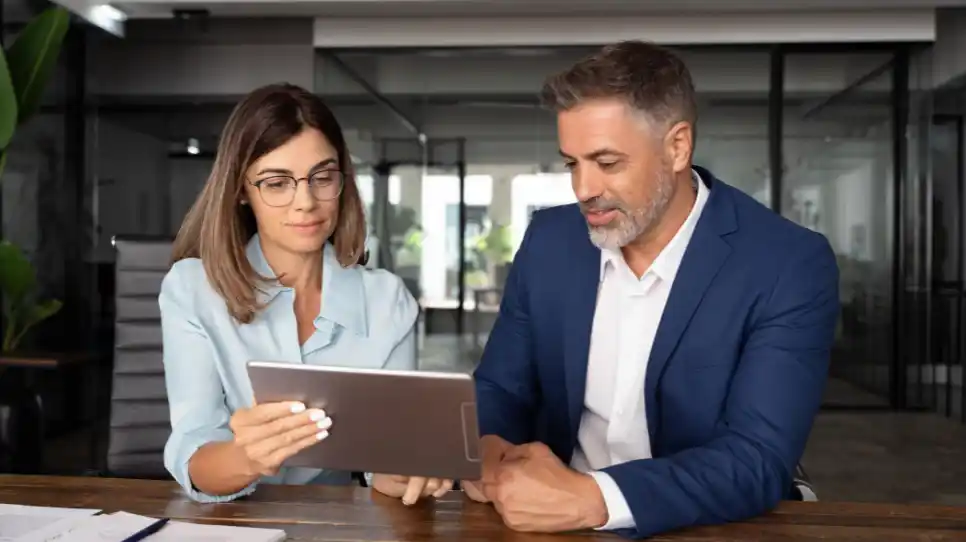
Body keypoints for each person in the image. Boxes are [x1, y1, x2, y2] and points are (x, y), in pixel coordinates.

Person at [464, 41, 839, 539]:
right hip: (545, 525)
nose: (582, 189)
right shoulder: (550, 240)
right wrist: (485, 444)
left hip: (707, 525)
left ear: (677, 146)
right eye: (572, 163)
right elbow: (500, 386)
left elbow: (756, 458)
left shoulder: (787, 263)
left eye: (607, 162)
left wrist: (595, 499)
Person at [160, 83, 451, 506]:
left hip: (337, 525)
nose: (306, 203)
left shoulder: (387, 300)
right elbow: (193, 447)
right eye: (277, 183)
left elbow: (384, 460)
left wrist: (405, 473)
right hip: (229, 522)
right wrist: (249, 456)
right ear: (242, 189)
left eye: (322, 177)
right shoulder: (192, 289)